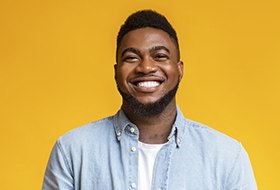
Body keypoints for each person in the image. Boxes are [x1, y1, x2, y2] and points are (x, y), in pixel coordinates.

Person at [42, 10, 257, 190]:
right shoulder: (72, 151)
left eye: (160, 56)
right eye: (132, 57)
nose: (146, 67)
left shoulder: (227, 157)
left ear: (179, 70)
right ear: (117, 72)